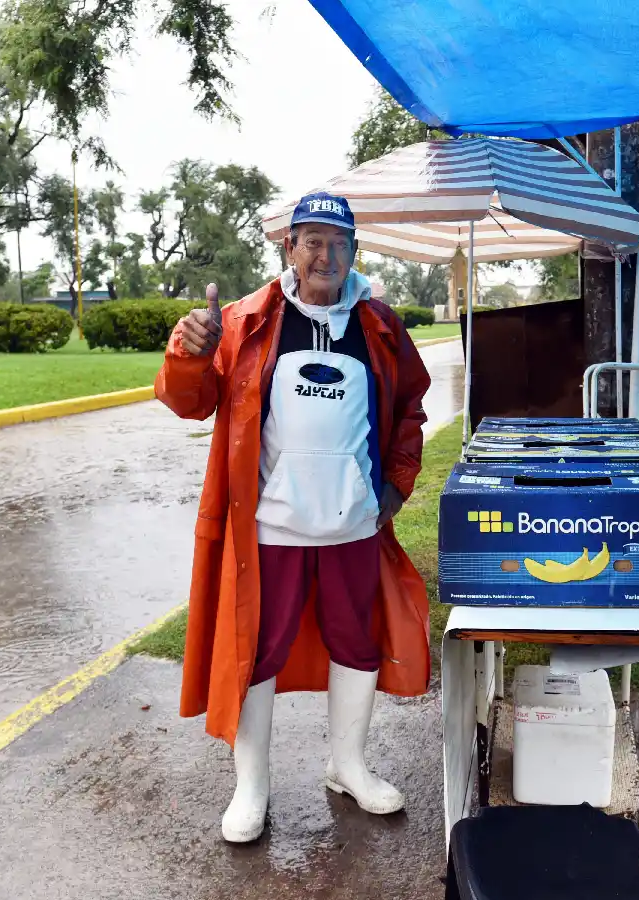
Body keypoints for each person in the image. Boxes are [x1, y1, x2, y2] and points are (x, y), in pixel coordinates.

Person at [155, 192, 432, 843]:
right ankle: (250, 787)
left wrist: (392, 489)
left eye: (338, 242)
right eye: (312, 240)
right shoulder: (247, 321)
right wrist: (190, 352)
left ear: (354, 252)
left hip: (354, 528)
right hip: (270, 528)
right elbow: (188, 401)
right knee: (258, 651)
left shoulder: (382, 326)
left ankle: (349, 766)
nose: (325, 254)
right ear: (289, 249)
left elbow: (411, 410)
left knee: (356, 644)